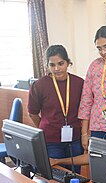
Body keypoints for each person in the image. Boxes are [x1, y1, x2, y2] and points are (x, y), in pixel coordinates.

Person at [28, 45, 83, 173]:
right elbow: (33, 113)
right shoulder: (39, 85)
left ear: (68, 63)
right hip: (51, 140)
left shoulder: (79, 83)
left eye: (61, 63)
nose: (57, 69)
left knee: (75, 176)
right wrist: (47, 126)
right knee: (56, 177)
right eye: (52, 65)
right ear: (47, 66)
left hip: (75, 138)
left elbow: (85, 111)